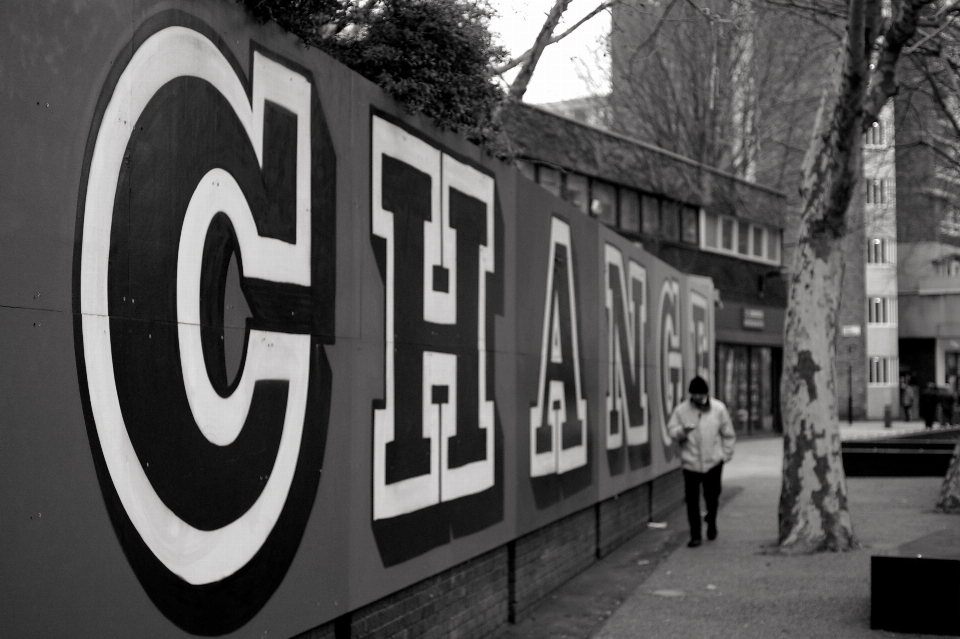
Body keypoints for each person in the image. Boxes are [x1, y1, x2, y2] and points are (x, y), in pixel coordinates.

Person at [666, 376, 736, 548]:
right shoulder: (681, 410)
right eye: (695, 394)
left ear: (706, 393)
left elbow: (728, 433)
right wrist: (683, 431)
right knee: (692, 500)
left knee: (712, 497)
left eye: (701, 394)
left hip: (713, 461)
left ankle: (711, 522)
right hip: (691, 463)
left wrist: (725, 454)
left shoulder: (718, 408)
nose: (698, 397)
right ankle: (695, 535)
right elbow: (671, 430)